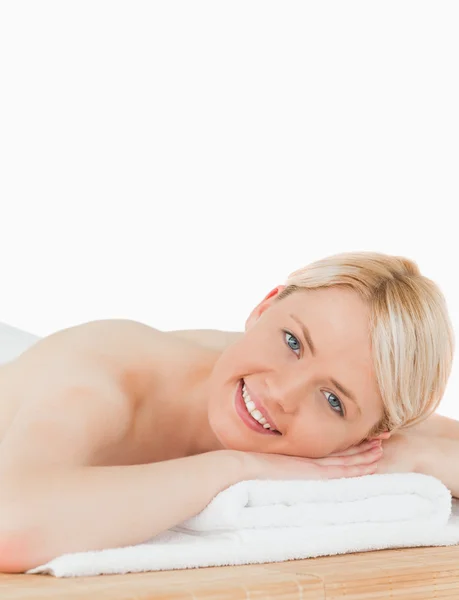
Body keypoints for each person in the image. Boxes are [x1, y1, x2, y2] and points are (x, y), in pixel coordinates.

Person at [0, 250, 455, 573]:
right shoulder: (98, 382)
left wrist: (412, 459)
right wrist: (236, 467)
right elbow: (12, 527)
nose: (282, 393)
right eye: (293, 342)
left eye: (332, 400)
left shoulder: (364, 411)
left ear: (370, 437)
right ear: (264, 307)